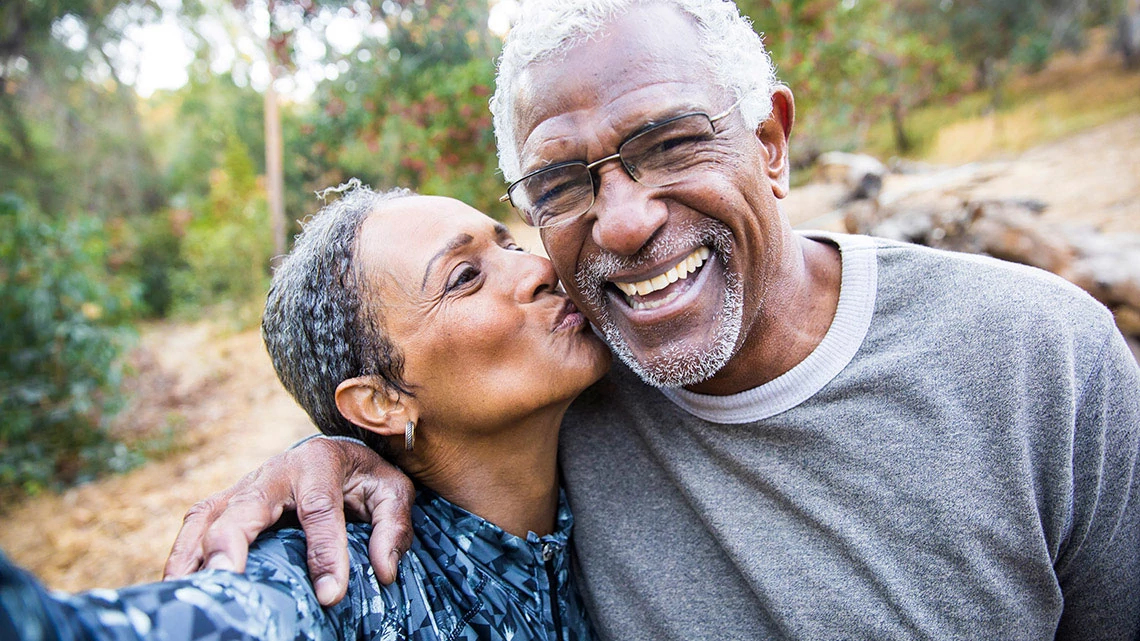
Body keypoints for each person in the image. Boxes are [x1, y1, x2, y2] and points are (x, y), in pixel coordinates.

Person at [163, 1, 1140, 639]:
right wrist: (326, 451)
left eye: (669, 143)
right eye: (560, 184)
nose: (623, 222)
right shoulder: (571, 383)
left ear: (771, 144)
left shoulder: (1040, 359)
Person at [2, 185, 609, 641]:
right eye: (465, 277)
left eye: (510, 242)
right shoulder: (349, 579)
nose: (539, 269)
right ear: (382, 401)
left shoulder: (630, 389)